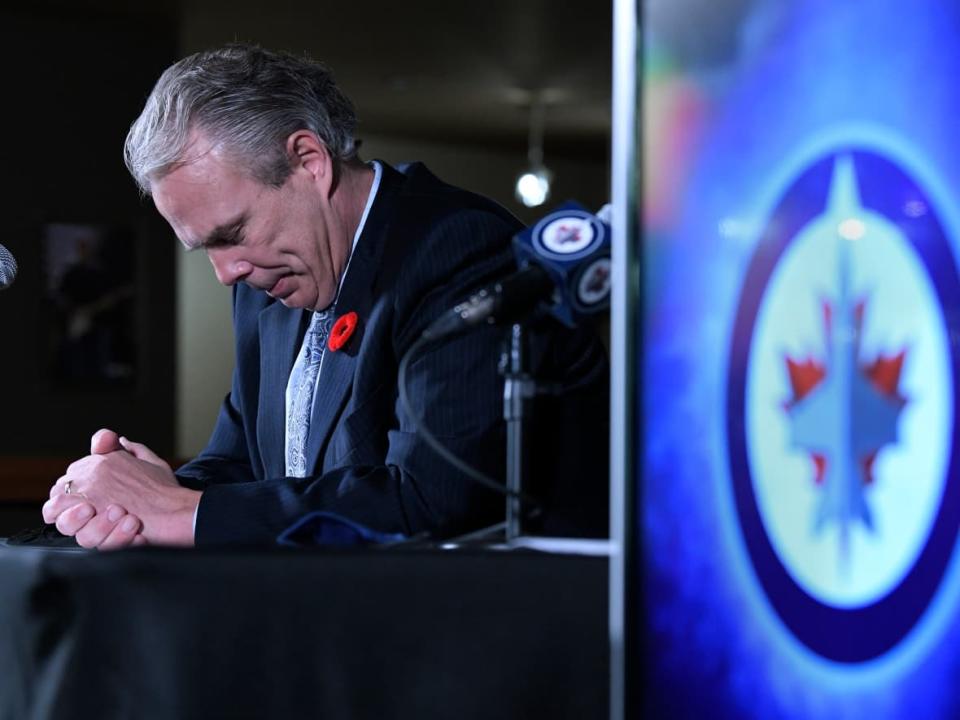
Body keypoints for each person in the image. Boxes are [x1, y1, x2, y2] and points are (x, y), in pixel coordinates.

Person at [42, 45, 608, 549]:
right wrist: (149, 492)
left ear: (308, 161)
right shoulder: (267, 279)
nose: (226, 273)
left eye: (232, 234)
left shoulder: (458, 248)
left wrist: (185, 512)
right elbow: (243, 465)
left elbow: (433, 499)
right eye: (205, 249)